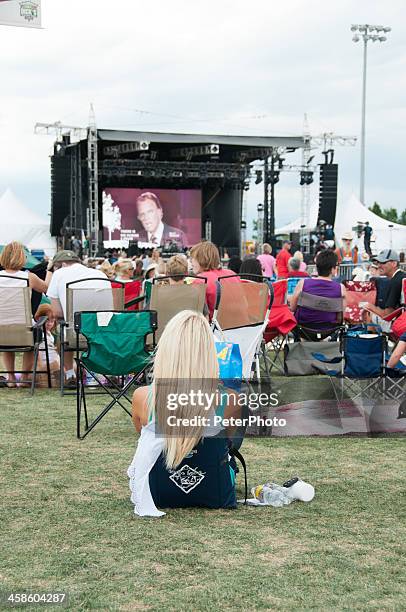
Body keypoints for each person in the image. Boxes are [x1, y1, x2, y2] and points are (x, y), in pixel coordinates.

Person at [128, 310, 239, 517]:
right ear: (209, 352)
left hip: (158, 489)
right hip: (214, 488)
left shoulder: (142, 397)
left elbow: (143, 437)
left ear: (166, 350)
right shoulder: (229, 398)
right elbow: (229, 441)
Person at [46, 250, 108, 385]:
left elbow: (57, 313)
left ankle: (69, 374)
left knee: (65, 324)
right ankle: (97, 374)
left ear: (61, 265)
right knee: (72, 323)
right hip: (103, 333)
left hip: (74, 333)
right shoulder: (100, 274)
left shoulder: (59, 274)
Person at [0, 241, 53, 387]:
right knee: (32, 334)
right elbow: (46, 288)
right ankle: (24, 376)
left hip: (1, 332)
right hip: (25, 333)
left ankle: (10, 377)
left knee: (5, 335)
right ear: (22, 258)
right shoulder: (29, 277)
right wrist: (49, 270)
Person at [290, 250, 346, 328]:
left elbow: (292, 308)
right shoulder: (341, 289)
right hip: (329, 330)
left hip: (303, 329)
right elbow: (341, 317)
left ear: (317, 267)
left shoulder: (302, 283)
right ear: (333, 269)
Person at [190, 241, 239, 319]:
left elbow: (200, 317)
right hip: (239, 326)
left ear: (202, 259)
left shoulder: (201, 281)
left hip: (216, 328)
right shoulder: (232, 274)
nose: (191, 261)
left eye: (193, 258)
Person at [362, 250, 406, 330]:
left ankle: (373, 342)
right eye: (378, 263)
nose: (379, 266)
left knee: (369, 314)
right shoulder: (402, 276)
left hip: (401, 324)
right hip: (402, 320)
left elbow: (387, 315)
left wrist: (369, 306)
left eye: (383, 262)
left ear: (394, 264)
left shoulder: (395, 281)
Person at [34, 304, 60, 387]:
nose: (49, 324)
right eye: (47, 320)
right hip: (46, 364)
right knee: (57, 365)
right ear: (38, 318)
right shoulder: (39, 333)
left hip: (54, 362)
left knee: (74, 365)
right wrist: (40, 366)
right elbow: (37, 352)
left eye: (52, 321)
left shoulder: (50, 334)